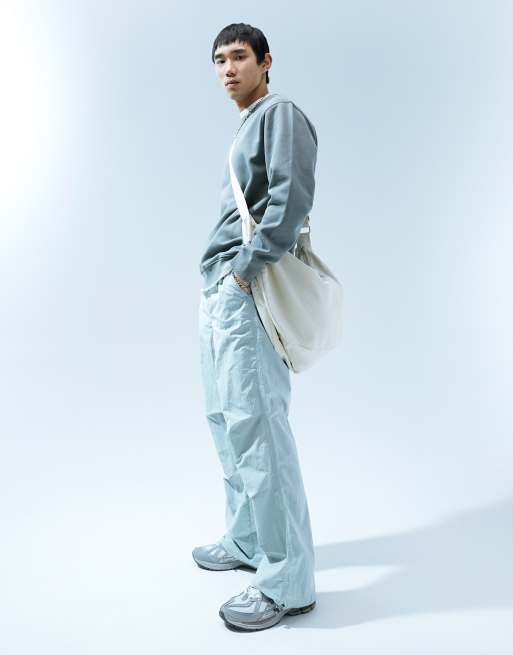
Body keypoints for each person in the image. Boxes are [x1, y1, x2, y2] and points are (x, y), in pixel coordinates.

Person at [194, 22, 318, 632]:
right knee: (225, 419)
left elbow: (292, 200)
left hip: (246, 285)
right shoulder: (246, 123)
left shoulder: (280, 114)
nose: (228, 68)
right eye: (220, 59)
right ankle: (246, 539)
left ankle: (287, 582)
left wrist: (245, 269)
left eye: (239, 56)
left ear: (266, 61)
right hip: (221, 287)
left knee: (260, 427)